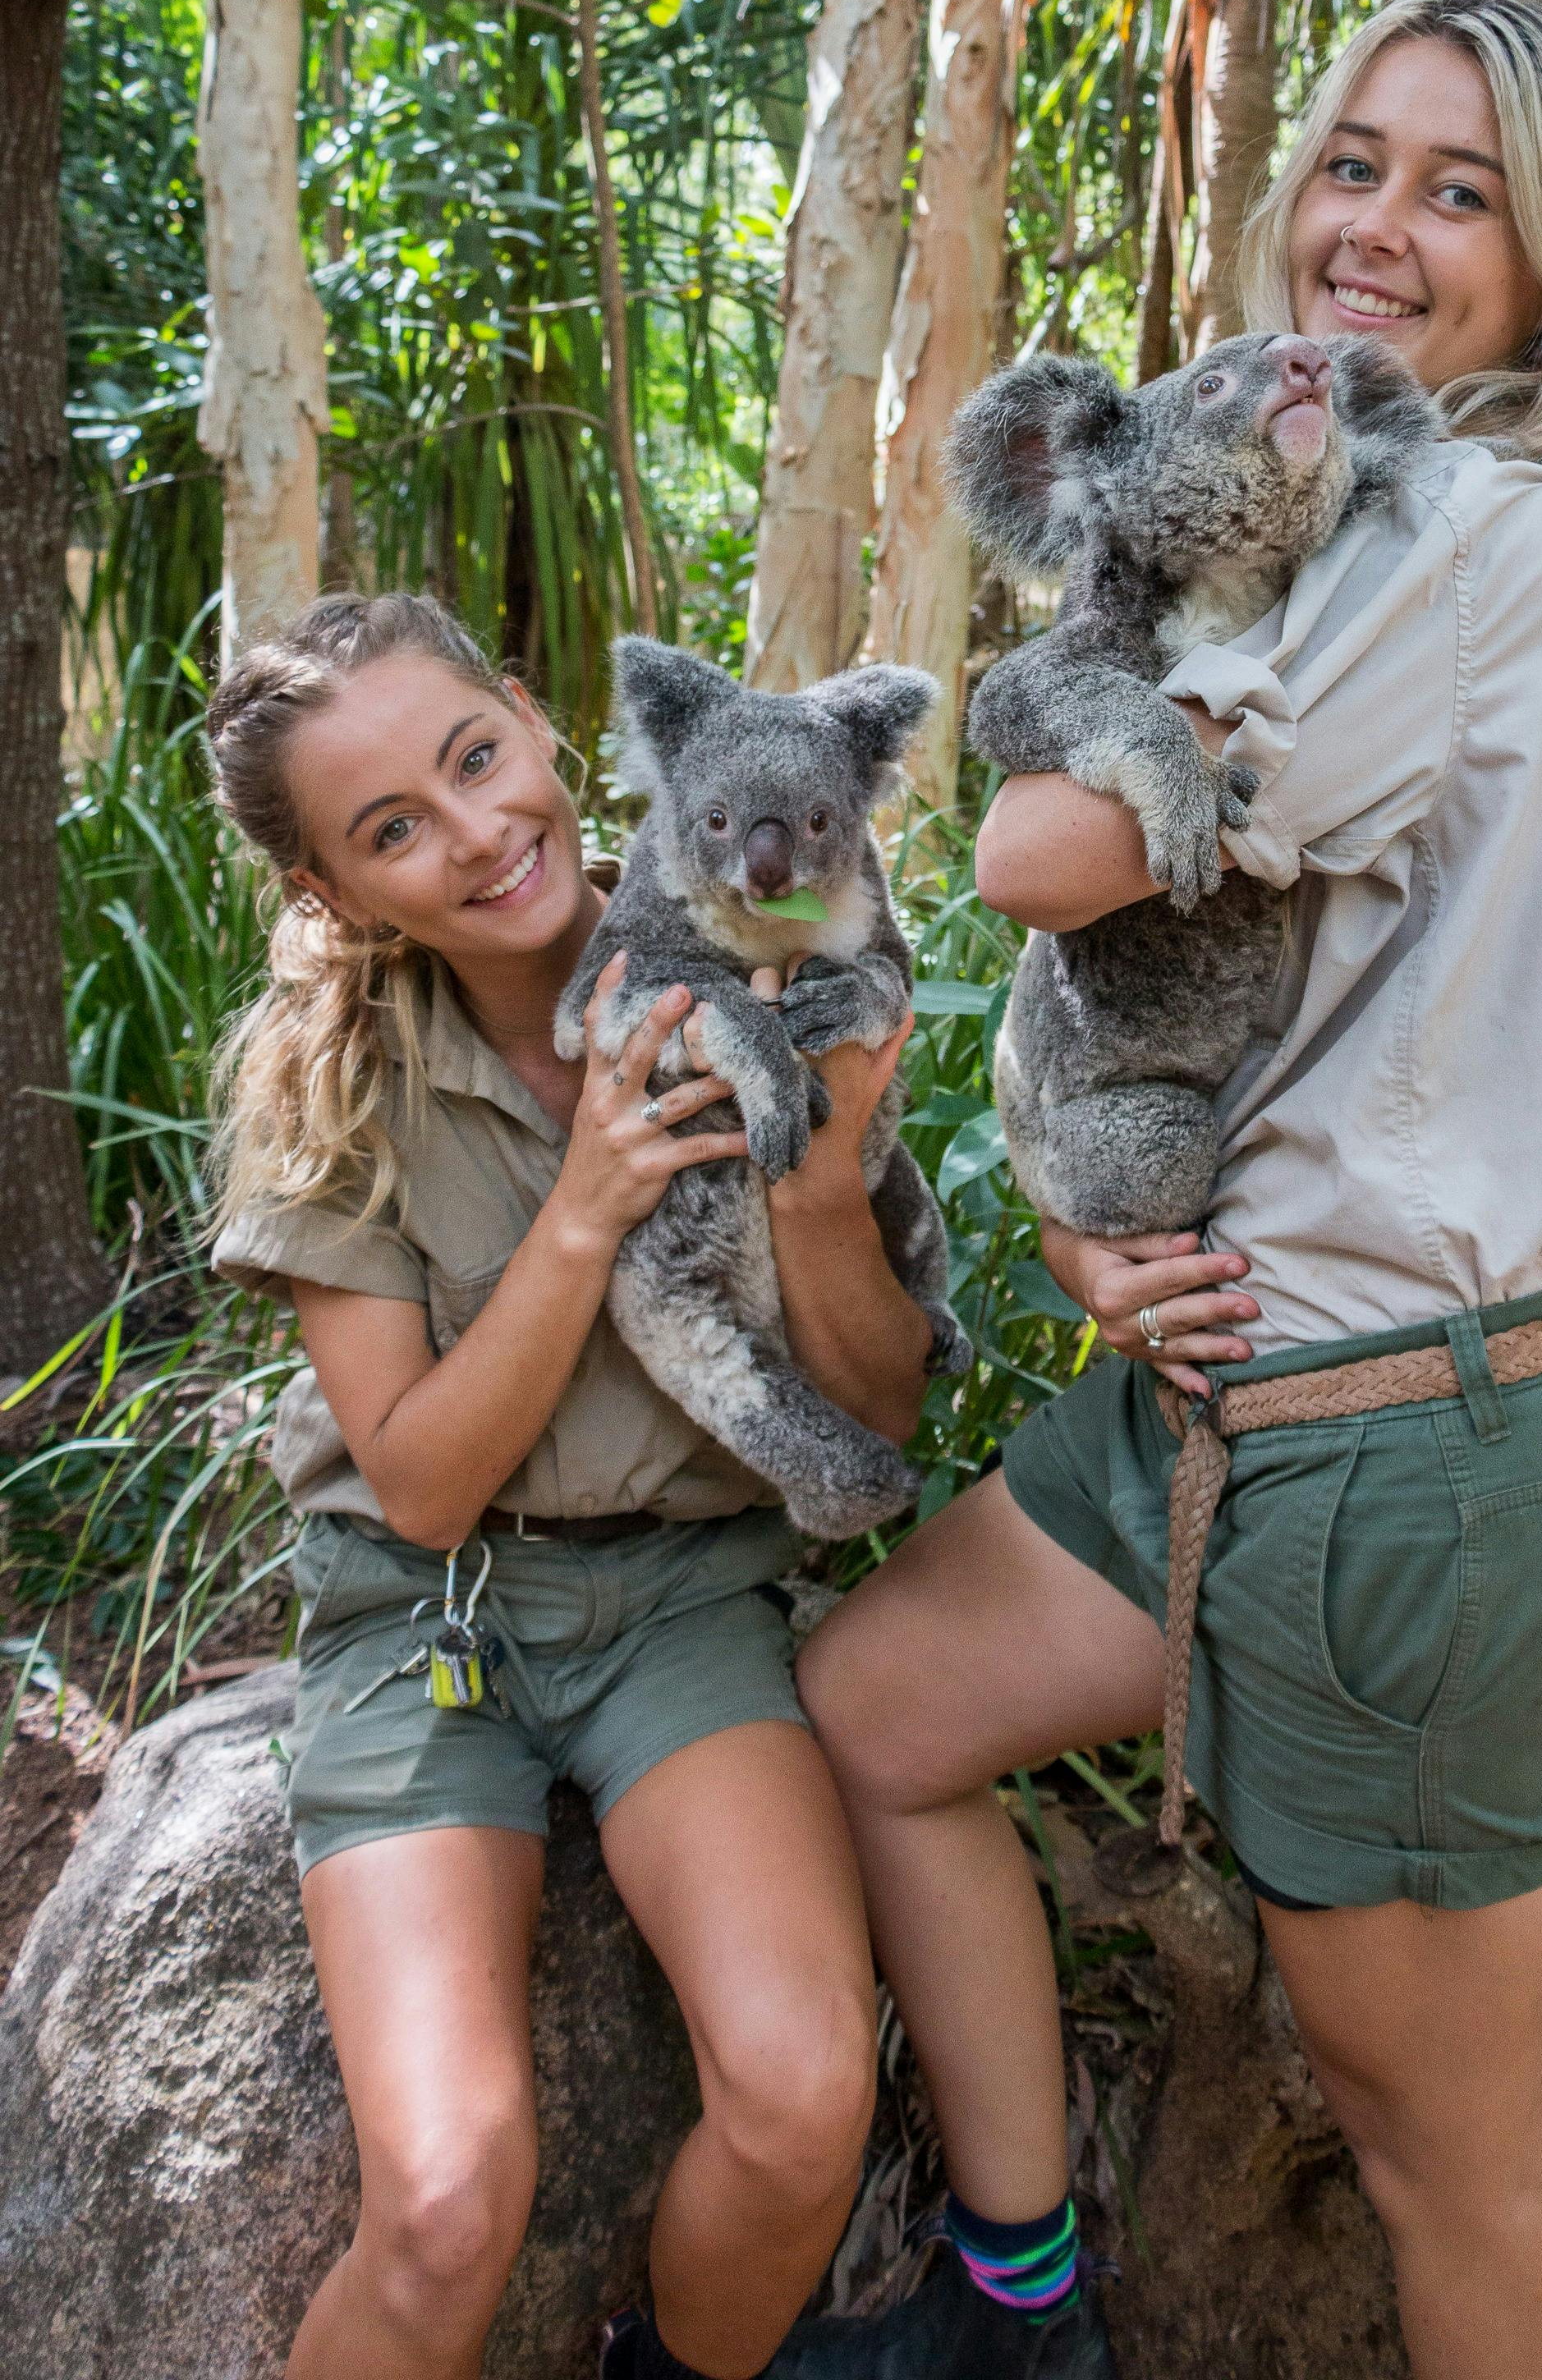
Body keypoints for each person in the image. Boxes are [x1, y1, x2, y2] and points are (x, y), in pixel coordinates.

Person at [787, 0, 1542, 2380]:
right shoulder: (1356, 540)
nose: (1378, 229)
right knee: (879, 1701)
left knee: (1455, 2168)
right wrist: (1085, 1223)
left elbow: (1040, 853)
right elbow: (1184, 999)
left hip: (1417, 1453)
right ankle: (1023, 2305)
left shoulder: (1477, 539)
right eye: (1358, 163)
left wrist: (1100, 702)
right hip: (1234, 1388)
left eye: (1464, 192)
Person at [204, 593, 938, 2380]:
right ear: (331, 892)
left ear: (537, 726)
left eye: (476, 759)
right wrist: (591, 1203)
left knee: (800, 2103)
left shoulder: (777, 946)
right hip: (425, 1620)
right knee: (450, 2198)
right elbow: (425, 1484)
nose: (473, 833)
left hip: (685, 1606)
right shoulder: (332, 1091)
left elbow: (882, 1409)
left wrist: (822, 1189)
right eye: (391, 828)